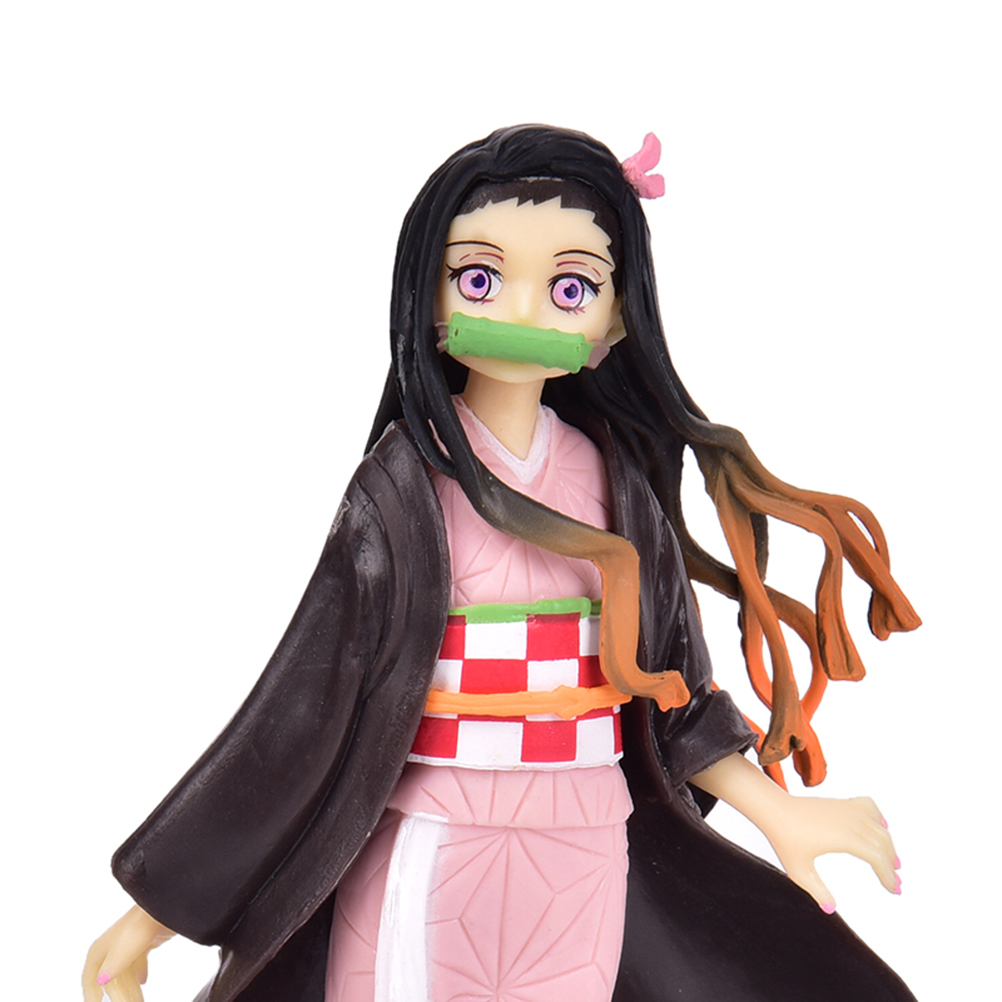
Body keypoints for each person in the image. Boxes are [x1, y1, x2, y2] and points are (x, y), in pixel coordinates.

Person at [83, 125, 920, 1002]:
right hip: (432, 836)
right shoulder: (404, 492)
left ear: (615, 318)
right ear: (428, 298)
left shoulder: (616, 488)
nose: (523, 315)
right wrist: (155, 913)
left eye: (569, 288)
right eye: (480, 279)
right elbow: (299, 710)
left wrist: (779, 813)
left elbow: (677, 703)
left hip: (584, 847)